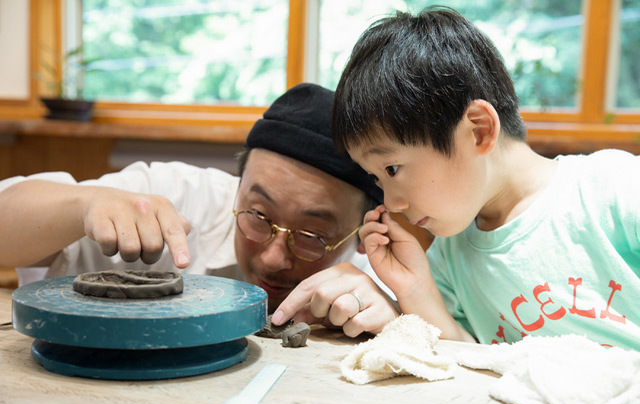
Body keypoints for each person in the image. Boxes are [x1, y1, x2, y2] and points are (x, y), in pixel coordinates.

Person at [331, 7, 640, 350]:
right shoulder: (447, 259)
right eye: (377, 179)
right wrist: (415, 290)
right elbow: (468, 358)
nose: (392, 203)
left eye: (391, 169)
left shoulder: (614, 188)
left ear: (479, 130)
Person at [0, 83, 399, 336]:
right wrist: (83, 206)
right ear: (236, 189)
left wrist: (393, 319)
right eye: (258, 216)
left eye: (312, 236)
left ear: (362, 235)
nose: (275, 257)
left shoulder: (369, 279)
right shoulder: (176, 195)